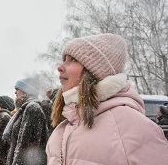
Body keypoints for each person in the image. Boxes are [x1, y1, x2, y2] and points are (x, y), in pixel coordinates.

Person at [46, 33, 168, 164]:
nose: (60, 67)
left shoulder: (133, 127)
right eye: (64, 59)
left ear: (95, 71)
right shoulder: (61, 130)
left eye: (73, 60)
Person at [2, 76, 48, 165]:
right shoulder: (23, 110)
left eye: (17, 89)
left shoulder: (32, 108)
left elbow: (28, 147)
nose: (15, 92)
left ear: (26, 90)